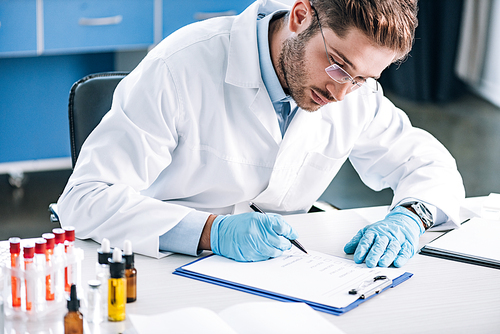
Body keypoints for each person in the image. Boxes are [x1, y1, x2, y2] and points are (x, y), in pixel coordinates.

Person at [57, 0, 465, 268]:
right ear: (301, 15)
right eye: (338, 65)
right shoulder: (180, 65)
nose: (341, 94)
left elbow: (428, 163)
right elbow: (85, 198)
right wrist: (209, 231)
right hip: (159, 264)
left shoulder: (352, 92)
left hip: (279, 278)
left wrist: (411, 217)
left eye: (361, 79)